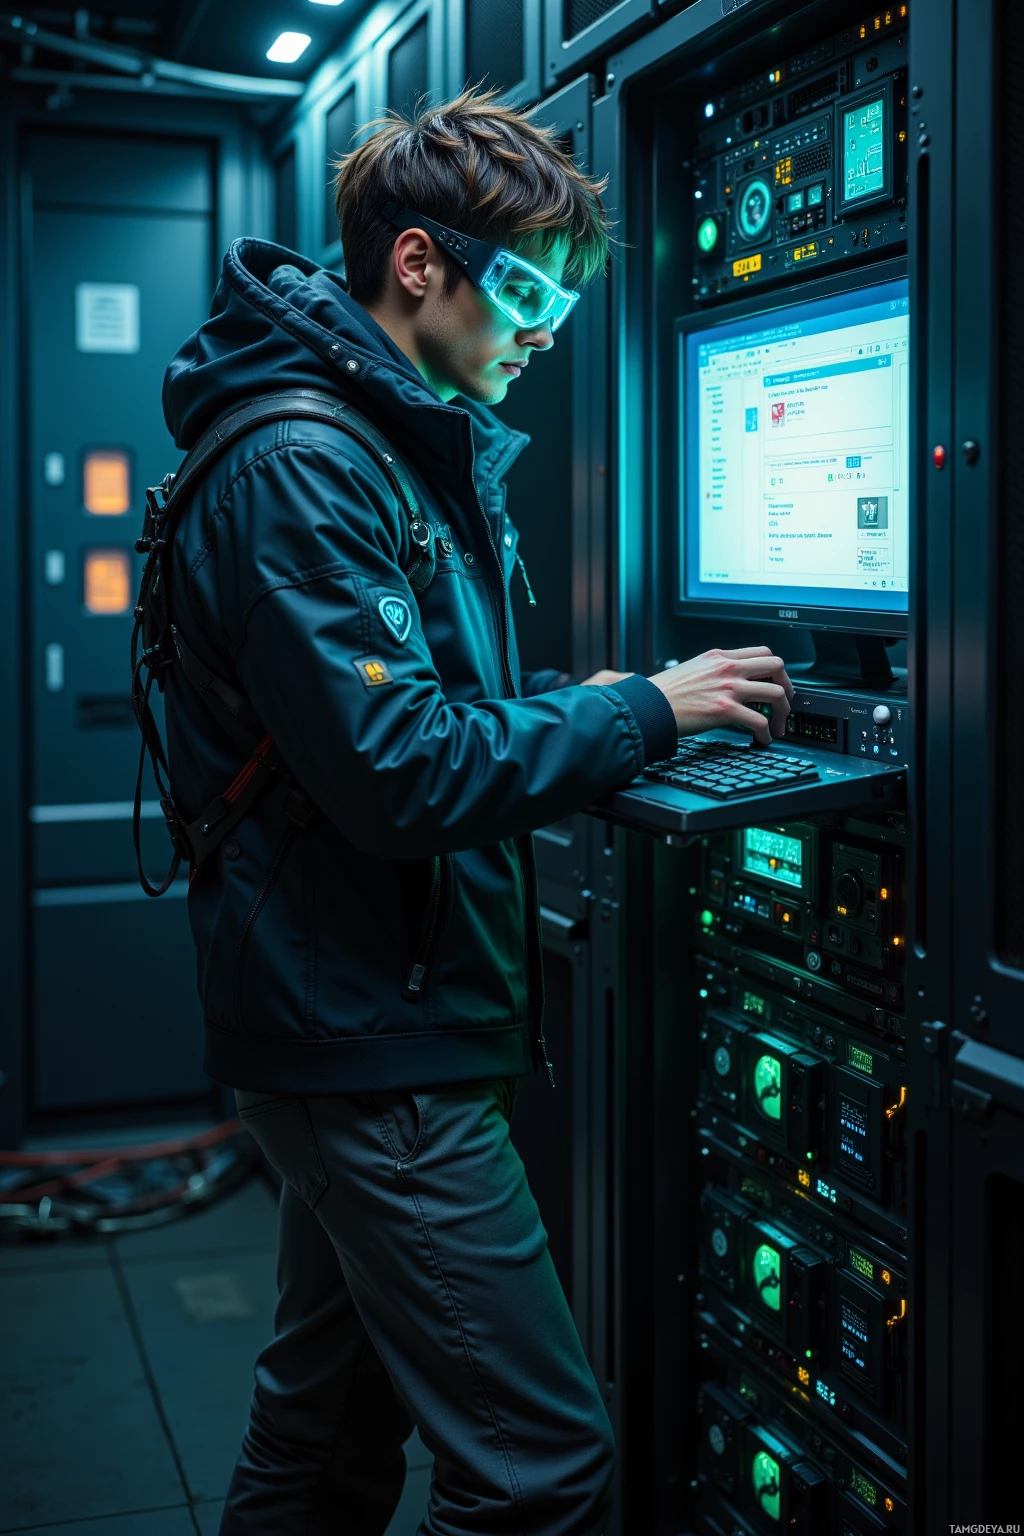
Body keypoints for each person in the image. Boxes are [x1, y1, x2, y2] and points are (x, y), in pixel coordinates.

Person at [160, 88, 793, 1536]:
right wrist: (645, 710)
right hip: (371, 1038)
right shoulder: (304, 461)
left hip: (359, 1013)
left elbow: (414, 705)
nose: (546, 327)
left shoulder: (383, 434)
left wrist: (619, 694)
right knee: (542, 1472)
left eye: (563, 295)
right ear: (418, 264)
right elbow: (400, 769)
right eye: (524, 288)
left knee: (324, 1433)